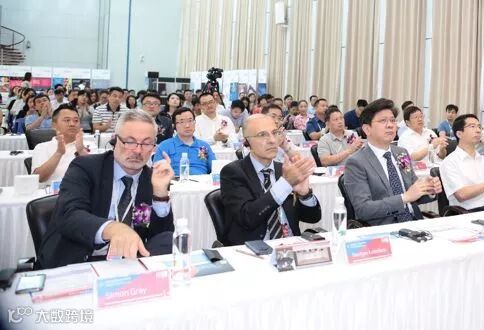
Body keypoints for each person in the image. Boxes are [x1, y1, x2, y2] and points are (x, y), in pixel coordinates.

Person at [37, 110, 175, 269]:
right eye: (130, 141)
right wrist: (112, 228)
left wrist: (160, 194)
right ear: (115, 139)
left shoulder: (151, 178)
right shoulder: (86, 167)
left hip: (127, 262)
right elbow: (69, 214)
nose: (138, 150)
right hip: (80, 259)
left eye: (146, 143)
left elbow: (161, 238)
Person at [220, 114, 321, 245]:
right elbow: (247, 218)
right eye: (262, 135)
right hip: (254, 249)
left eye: (275, 133)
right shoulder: (233, 172)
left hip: (291, 246)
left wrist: (304, 194)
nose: (272, 140)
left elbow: (313, 218)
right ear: (247, 141)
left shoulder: (283, 169)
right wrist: (285, 184)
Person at [343, 98, 441, 226]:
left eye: (392, 120)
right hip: (383, 227)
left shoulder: (401, 153)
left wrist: (428, 189)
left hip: (414, 223)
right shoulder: (356, 162)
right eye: (383, 121)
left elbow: (413, 192)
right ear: (367, 129)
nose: (390, 125)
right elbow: (363, 209)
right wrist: (404, 198)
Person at [440, 114, 484, 211]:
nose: (478, 130)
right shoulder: (450, 162)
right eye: (472, 126)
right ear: (459, 134)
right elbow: (461, 195)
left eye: (479, 127)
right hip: (469, 213)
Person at [31, 104, 90, 183]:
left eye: (76, 120)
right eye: (67, 120)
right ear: (54, 125)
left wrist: (81, 151)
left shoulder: (90, 145)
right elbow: (38, 179)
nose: (72, 124)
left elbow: (96, 175)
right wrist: (59, 153)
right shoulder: (42, 147)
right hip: (52, 190)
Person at [154, 107, 214, 176]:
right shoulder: (164, 146)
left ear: (195, 122)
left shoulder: (203, 146)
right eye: (182, 122)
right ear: (174, 126)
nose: (187, 125)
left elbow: (215, 169)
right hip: (175, 181)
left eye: (190, 121)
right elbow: (156, 173)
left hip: (202, 181)